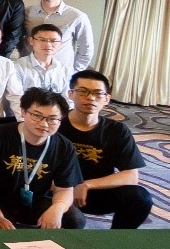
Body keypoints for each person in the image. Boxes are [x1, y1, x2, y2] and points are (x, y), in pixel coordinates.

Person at [59, 70, 152, 229]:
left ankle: (117, 238)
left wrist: (87, 184)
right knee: (73, 221)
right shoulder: (56, 124)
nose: (90, 98)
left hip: (96, 191)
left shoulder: (117, 130)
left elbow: (131, 176)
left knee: (140, 198)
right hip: (58, 191)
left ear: (107, 99)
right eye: (83, 91)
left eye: (98, 93)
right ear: (70, 94)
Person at [0, 88, 85, 229]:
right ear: (23, 112)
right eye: (37, 116)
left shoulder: (65, 147)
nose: (44, 124)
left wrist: (57, 208)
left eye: (52, 119)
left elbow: (65, 189)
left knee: (75, 218)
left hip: (36, 201)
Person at [24, 0, 93, 72]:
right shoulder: (26, 12)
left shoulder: (77, 16)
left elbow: (86, 48)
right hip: (28, 70)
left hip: (61, 72)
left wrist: (74, 72)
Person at [15, 24, 71, 94]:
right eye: (42, 40)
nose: (48, 44)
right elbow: (16, 96)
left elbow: (67, 98)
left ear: (60, 44)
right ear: (31, 41)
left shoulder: (65, 70)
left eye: (53, 41)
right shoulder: (17, 67)